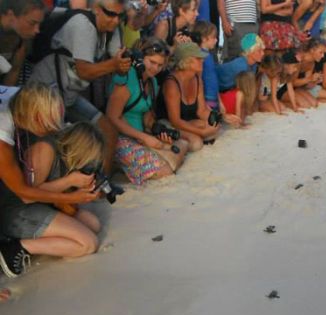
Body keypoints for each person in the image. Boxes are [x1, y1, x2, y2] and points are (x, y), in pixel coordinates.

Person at [1, 85, 104, 274]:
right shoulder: (37, 144)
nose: (54, 125)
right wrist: (72, 191)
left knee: (93, 224)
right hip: (17, 210)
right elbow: (25, 196)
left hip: (34, 205)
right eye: (49, 120)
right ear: (36, 116)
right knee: (87, 244)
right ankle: (14, 248)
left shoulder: (22, 99)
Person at [29, 0, 131, 176]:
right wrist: (115, 65)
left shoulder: (112, 30)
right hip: (45, 94)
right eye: (111, 14)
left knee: (108, 130)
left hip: (68, 95)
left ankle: (101, 182)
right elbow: (84, 71)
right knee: (58, 144)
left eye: (120, 16)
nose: (115, 20)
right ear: (96, 9)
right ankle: (62, 192)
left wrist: (123, 64)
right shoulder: (83, 25)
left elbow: (118, 67)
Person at [106, 37, 189, 186]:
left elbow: (147, 117)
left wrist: (157, 131)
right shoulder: (126, 77)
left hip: (140, 137)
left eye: (159, 65)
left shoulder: (152, 82)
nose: (155, 68)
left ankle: (134, 167)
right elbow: (112, 117)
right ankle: (120, 165)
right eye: (152, 62)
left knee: (183, 144)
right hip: (120, 138)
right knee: (166, 171)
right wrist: (143, 137)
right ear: (141, 58)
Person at [158, 42, 221, 150]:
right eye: (198, 58)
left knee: (211, 130)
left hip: (186, 121)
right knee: (196, 143)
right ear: (186, 61)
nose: (202, 60)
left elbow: (201, 111)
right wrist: (201, 131)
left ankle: (186, 139)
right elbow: (175, 121)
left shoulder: (197, 78)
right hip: (167, 122)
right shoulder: (172, 84)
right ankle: (175, 142)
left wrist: (219, 118)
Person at [0, 0, 45, 86]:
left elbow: (8, 90)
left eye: (39, 24)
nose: (37, 30)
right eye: (32, 23)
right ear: (10, 15)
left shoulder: (22, 40)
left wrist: (15, 67)